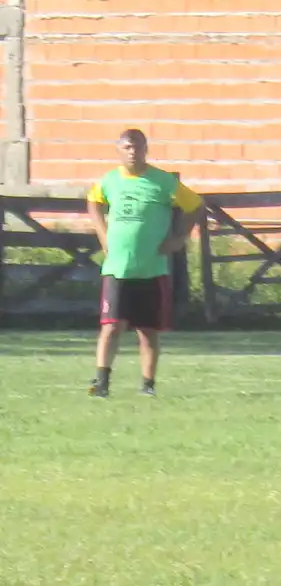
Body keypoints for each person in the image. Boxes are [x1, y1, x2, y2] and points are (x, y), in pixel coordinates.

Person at [86, 129, 204, 398]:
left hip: (151, 269)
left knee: (148, 331)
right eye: (127, 147)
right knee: (111, 326)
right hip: (118, 268)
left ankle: (148, 385)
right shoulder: (109, 180)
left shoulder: (161, 181)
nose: (132, 152)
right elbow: (93, 202)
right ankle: (101, 382)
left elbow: (196, 205)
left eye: (137, 147)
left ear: (145, 149)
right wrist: (102, 234)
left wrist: (178, 238)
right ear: (119, 150)